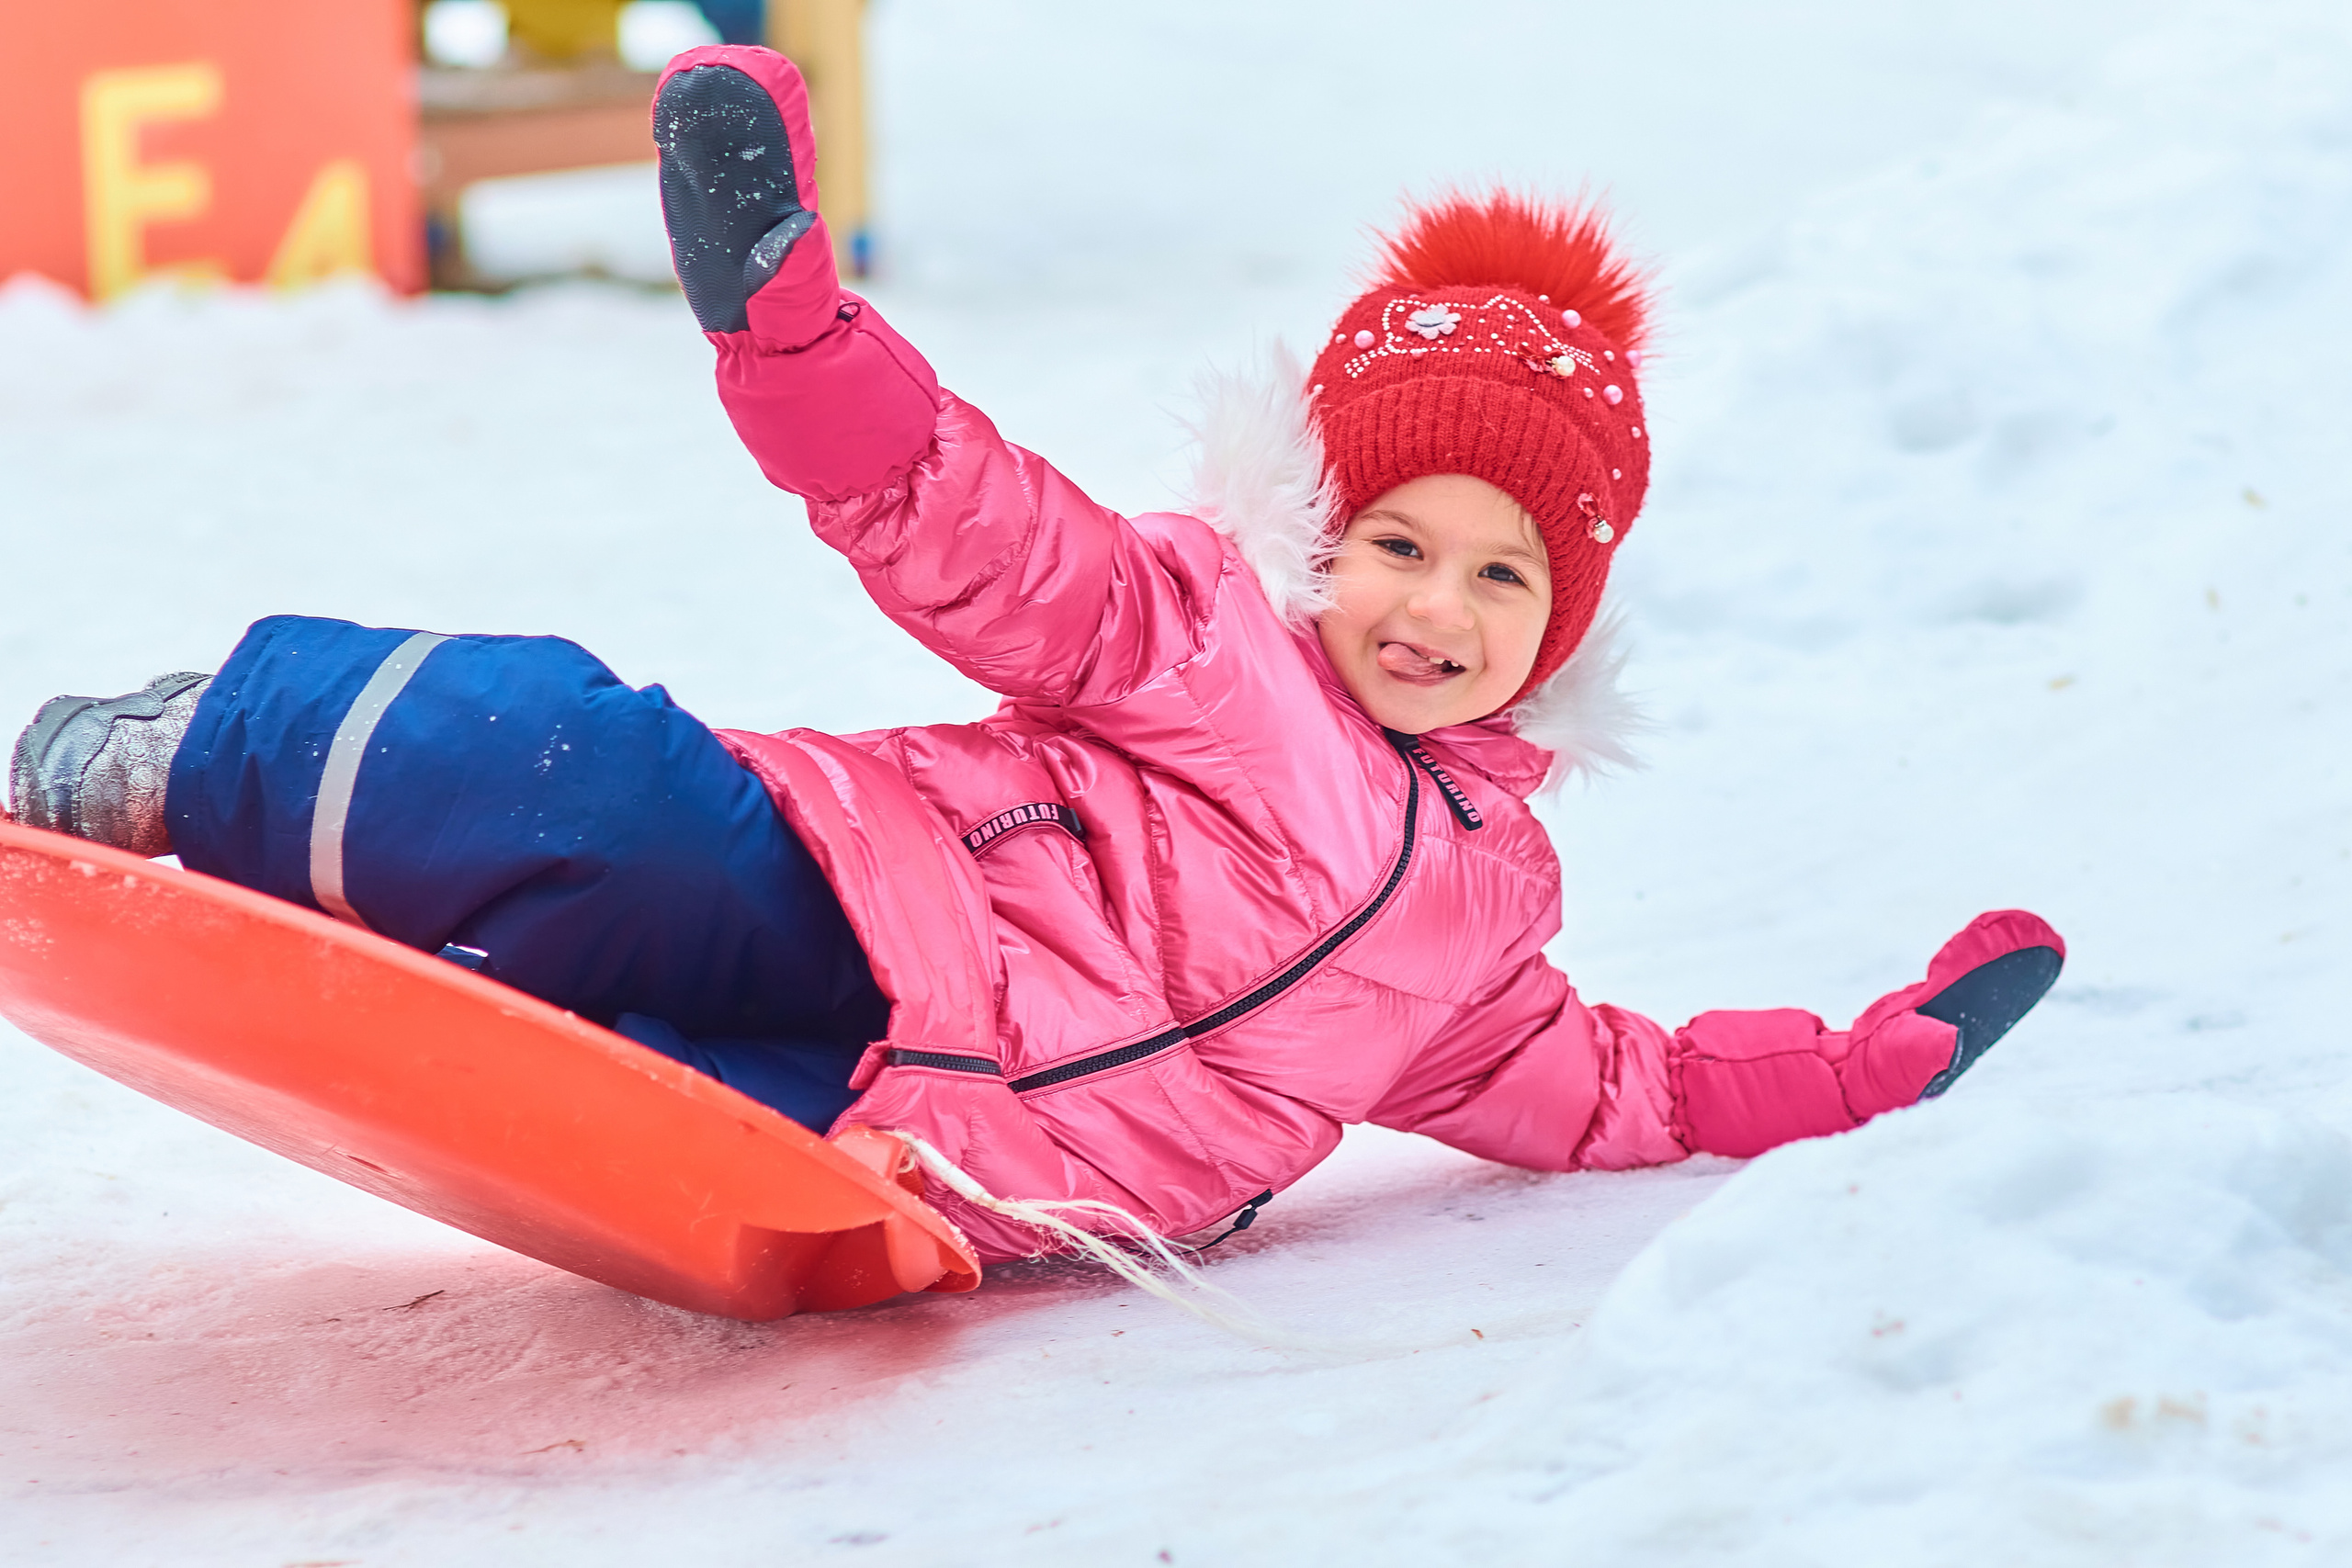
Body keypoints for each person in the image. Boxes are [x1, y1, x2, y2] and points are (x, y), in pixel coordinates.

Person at [6, 47, 2064, 1266]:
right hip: (845, 892)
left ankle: (495, 1015)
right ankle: (167, 758)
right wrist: (795, 340)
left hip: (937, 1161)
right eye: (1391, 543)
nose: (1429, 609)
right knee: (555, 760)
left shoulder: (1480, 947)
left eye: (1498, 581)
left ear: (1562, 630)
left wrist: (1865, 1061)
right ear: (1317, 535)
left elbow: (1634, 1086)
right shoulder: (1197, 639)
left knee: (645, 1098)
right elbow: (969, 528)